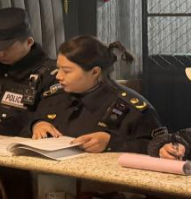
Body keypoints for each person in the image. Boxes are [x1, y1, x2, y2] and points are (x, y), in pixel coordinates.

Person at [24, 36, 162, 153]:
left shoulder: (132, 108)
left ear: (95, 72)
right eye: (58, 68)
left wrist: (111, 143)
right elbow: (26, 123)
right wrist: (37, 125)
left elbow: (158, 147)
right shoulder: (56, 95)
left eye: (66, 71)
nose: (58, 76)